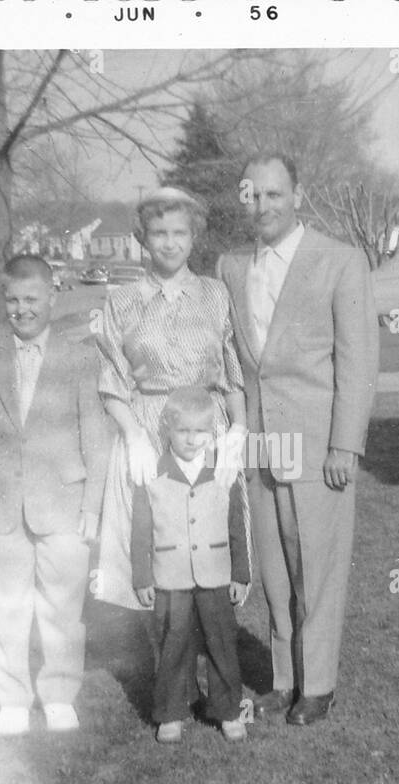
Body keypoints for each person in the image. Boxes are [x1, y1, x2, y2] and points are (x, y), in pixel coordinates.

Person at [216, 153, 380, 727]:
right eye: (253, 195)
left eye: (274, 194)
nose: (262, 205)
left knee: (318, 568)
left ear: (298, 195)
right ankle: (284, 683)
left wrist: (345, 445)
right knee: (277, 571)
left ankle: (320, 685)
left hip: (317, 446)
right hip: (263, 445)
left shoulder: (340, 261)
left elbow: (358, 362)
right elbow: (235, 360)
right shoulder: (233, 267)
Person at [0, 254, 111, 735]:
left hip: (64, 502)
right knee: (3, 603)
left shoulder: (81, 357)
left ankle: (60, 692)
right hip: (2, 502)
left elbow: (96, 436)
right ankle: (13, 700)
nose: (22, 309)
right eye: (13, 300)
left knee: (63, 605)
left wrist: (92, 505)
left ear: (52, 297)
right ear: (3, 301)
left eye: (32, 299)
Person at [94, 187, 249, 615]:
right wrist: (133, 436)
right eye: (159, 232)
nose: (170, 242)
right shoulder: (123, 300)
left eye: (179, 232)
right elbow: (111, 379)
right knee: (153, 539)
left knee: (207, 541)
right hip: (148, 429)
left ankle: (209, 653)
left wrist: (237, 429)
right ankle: (165, 661)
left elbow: (232, 370)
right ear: (144, 237)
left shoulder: (216, 294)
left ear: (194, 236)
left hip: (207, 428)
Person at [131, 387, 252, 744]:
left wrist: (241, 574)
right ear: (167, 427)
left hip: (216, 572)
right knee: (173, 643)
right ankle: (171, 711)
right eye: (183, 430)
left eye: (200, 431)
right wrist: (142, 575)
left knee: (221, 642)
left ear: (212, 431)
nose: (191, 439)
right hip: (170, 576)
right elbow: (140, 531)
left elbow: (236, 526)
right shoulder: (151, 473)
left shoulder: (223, 471)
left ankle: (228, 709)